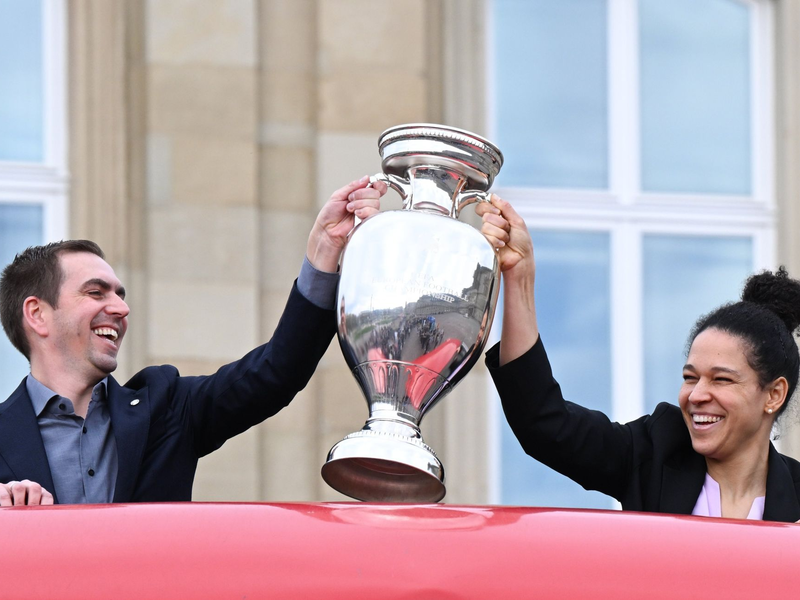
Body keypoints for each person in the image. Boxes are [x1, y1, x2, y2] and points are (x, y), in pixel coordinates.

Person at [0, 176, 387, 506]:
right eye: (96, 293)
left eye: (120, 294)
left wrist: (325, 249)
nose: (120, 308)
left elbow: (276, 372)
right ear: (37, 314)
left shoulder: (166, 409)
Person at [477, 196, 800, 522]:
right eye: (690, 377)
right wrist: (519, 277)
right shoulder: (656, 448)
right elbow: (544, 423)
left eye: (721, 379)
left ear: (773, 394)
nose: (697, 395)